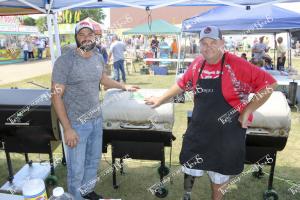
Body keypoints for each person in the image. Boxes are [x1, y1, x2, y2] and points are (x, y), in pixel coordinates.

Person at [145, 26, 277, 200]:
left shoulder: (237, 64)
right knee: (191, 165)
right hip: (200, 128)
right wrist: (161, 99)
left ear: (222, 43)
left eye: (213, 42)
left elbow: (269, 85)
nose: (208, 47)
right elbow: (182, 84)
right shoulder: (197, 63)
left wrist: (248, 110)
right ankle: (187, 194)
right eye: (204, 43)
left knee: (219, 177)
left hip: (227, 132)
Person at [51, 20, 138, 200]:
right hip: (75, 123)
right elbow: (56, 96)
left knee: (92, 162)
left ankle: (87, 192)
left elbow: (103, 79)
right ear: (76, 38)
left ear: (95, 37)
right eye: (81, 35)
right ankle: (76, 197)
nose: (86, 38)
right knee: (76, 168)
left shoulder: (98, 56)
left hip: (96, 119)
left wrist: (124, 86)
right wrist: (67, 128)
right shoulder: (65, 61)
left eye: (89, 34)